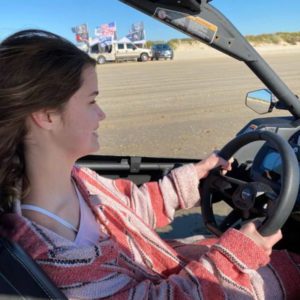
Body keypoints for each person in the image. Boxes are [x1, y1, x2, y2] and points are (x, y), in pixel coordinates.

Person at [0, 29, 298, 299]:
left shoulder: (78, 179)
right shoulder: (62, 259)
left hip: (169, 264)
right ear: (47, 115)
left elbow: (131, 208)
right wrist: (239, 254)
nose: (101, 114)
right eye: (91, 102)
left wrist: (194, 176)